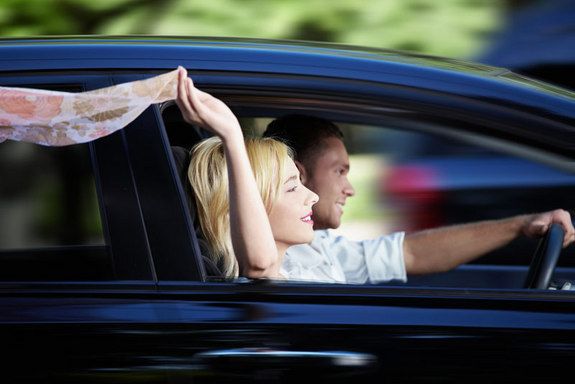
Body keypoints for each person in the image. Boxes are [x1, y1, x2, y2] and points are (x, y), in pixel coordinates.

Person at [263, 114, 575, 284]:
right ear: (299, 174)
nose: (350, 189)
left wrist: (520, 225)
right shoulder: (269, 260)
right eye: (339, 171)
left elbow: (411, 253)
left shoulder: (320, 246)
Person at [175, 68, 318, 279]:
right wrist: (231, 135)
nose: (314, 197)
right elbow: (260, 267)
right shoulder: (257, 276)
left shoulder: (298, 271)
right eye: (292, 187)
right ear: (243, 209)